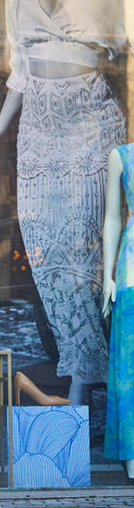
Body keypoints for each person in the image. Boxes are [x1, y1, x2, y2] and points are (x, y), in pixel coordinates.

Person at [0, 0, 127, 404]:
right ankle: (84, 374)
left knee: (84, 257)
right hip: (36, 132)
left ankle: (84, 387)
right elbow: (19, 70)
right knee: (46, 259)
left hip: (89, 125)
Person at [102, 143, 134, 479]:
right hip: (131, 271)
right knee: (129, 367)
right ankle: (131, 450)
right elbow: (112, 218)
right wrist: (107, 275)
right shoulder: (122, 156)